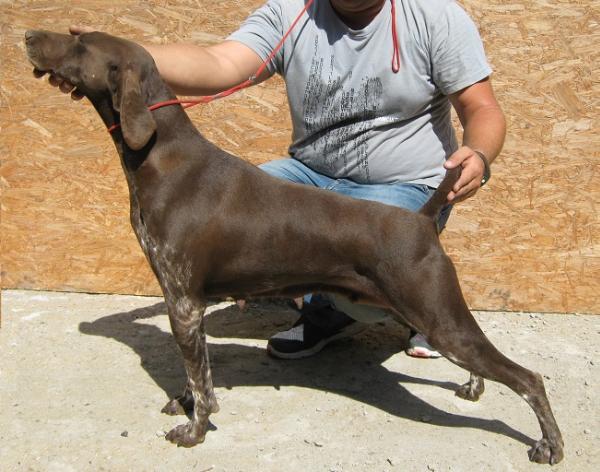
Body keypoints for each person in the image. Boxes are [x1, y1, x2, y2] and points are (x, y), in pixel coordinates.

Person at [50, 0, 505, 360]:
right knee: (222, 223)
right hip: (311, 176)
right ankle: (342, 300)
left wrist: (480, 154)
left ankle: (414, 305)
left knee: (384, 260)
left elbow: (481, 109)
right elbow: (216, 63)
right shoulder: (294, 12)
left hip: (400, 187)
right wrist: (120, 59)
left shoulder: (435, 16)